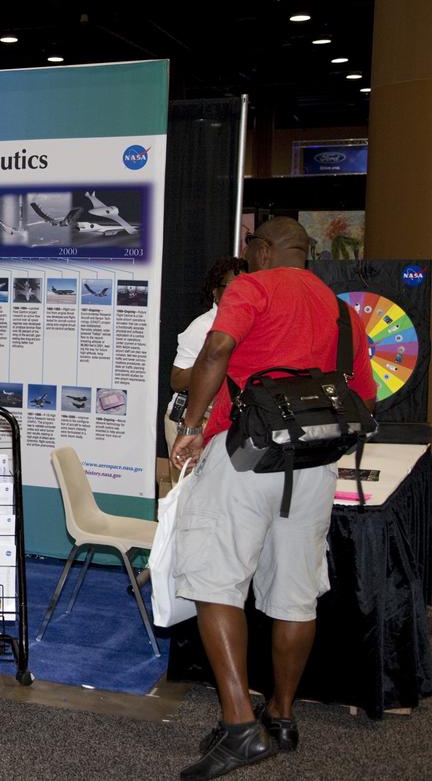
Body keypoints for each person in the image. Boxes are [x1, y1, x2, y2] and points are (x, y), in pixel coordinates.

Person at [170, 217, 375, 780]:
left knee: (215, 581)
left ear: (261, 251)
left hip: (244, 456)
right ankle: (280, 717)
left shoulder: (252, 287)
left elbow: (218, 347)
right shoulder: (341, 310)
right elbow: (363, 391)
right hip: (312, 464)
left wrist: (191, 426)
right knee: (295, 591)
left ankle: (240, 728)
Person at [164, 257, 247, 464]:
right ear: (215, 292)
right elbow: (177, 380)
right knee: (187, 492)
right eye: (232, 286)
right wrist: (214, 359)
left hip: (226, 422)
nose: (240, 292)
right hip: (189, 422)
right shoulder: (203, 327)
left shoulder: (249, 325)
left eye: (247, 286)